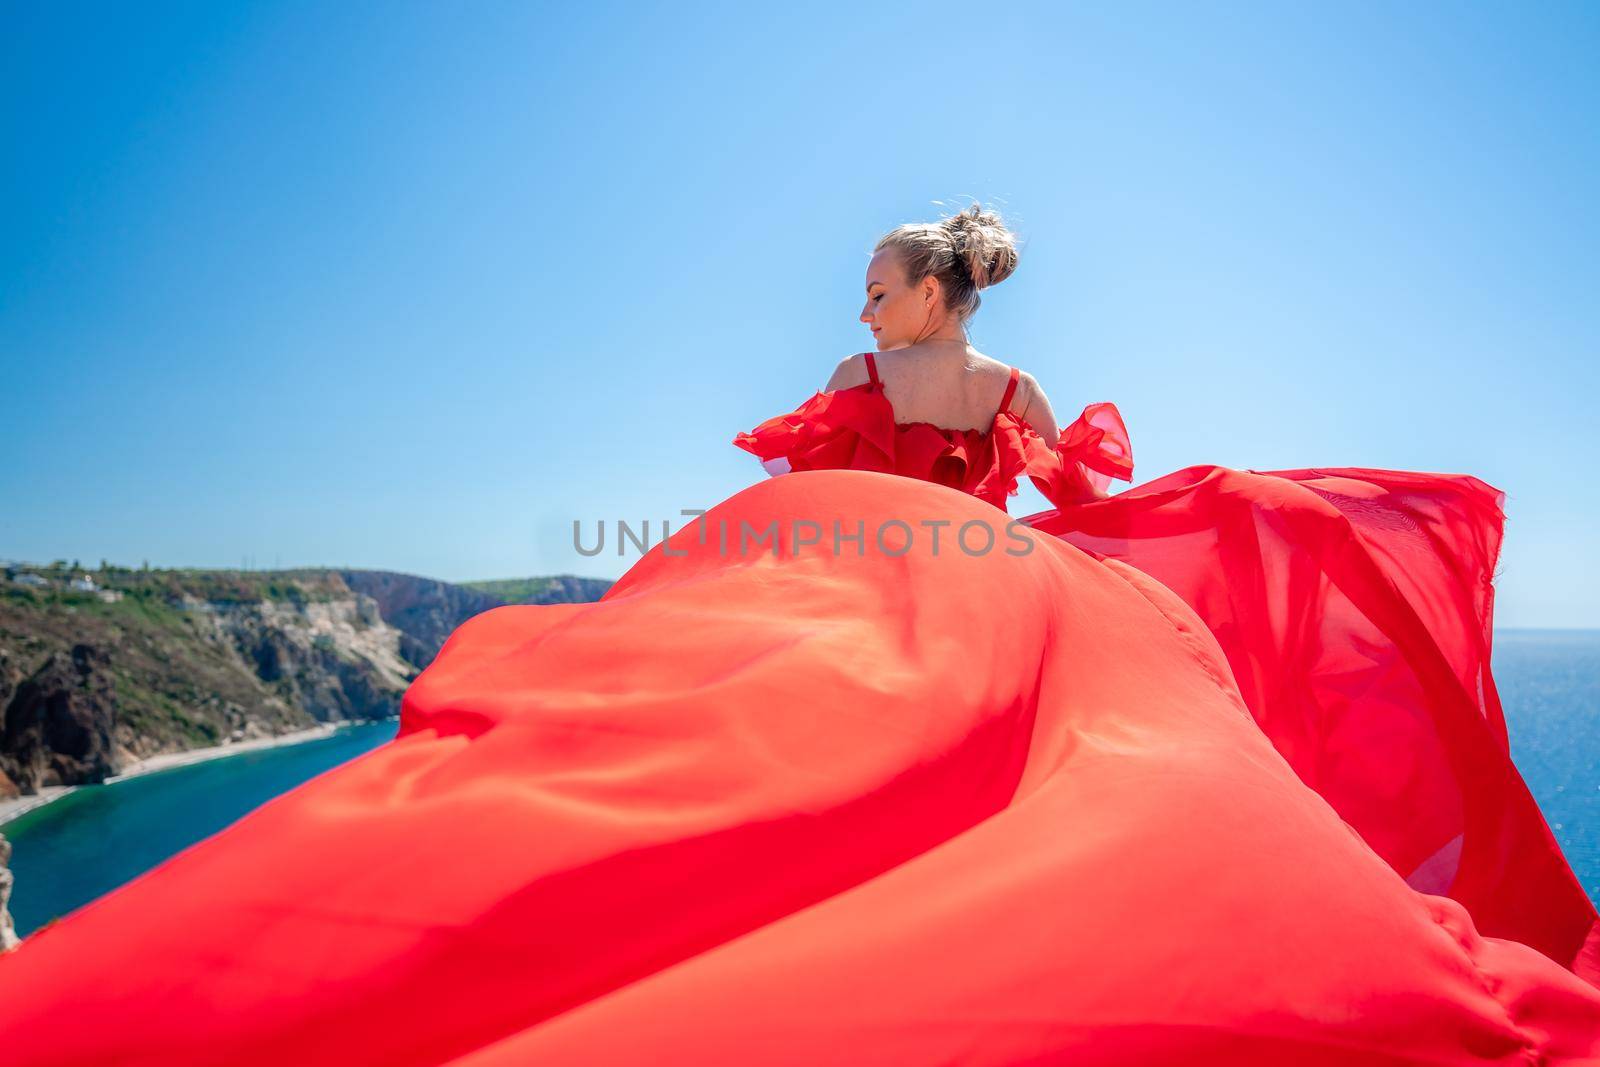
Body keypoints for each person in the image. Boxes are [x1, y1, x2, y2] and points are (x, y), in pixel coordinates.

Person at [0, 207, 1598, 1065]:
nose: (860, 300)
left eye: (878, 282)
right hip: (993, 569)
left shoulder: (852, 399)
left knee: (787, 737)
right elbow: (1075, 482)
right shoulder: (1012, 394)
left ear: (931, 298)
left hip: (879, 572)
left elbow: (807, 480)